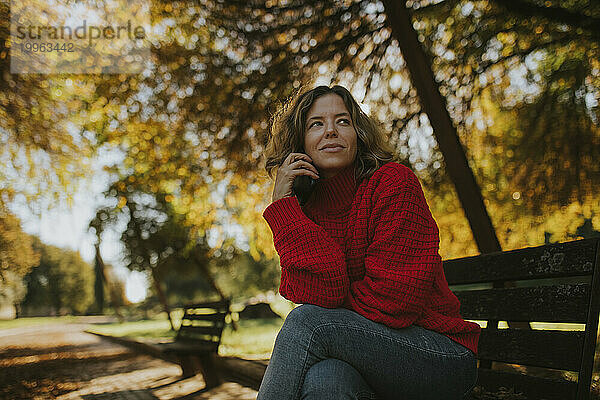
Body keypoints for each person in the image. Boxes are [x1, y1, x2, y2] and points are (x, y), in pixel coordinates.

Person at [258, 84, 481, 400]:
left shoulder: (393, 184)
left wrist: (332, 310)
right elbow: (318, 293)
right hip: (374, 359)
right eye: (316, 124)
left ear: (358, 134)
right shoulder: (305, 210)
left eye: (343, 121)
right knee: (326, 381)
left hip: (441, 354)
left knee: (307, 323)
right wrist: (284, 207)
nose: (331, 131)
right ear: (300, 144)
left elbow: (394, 302)